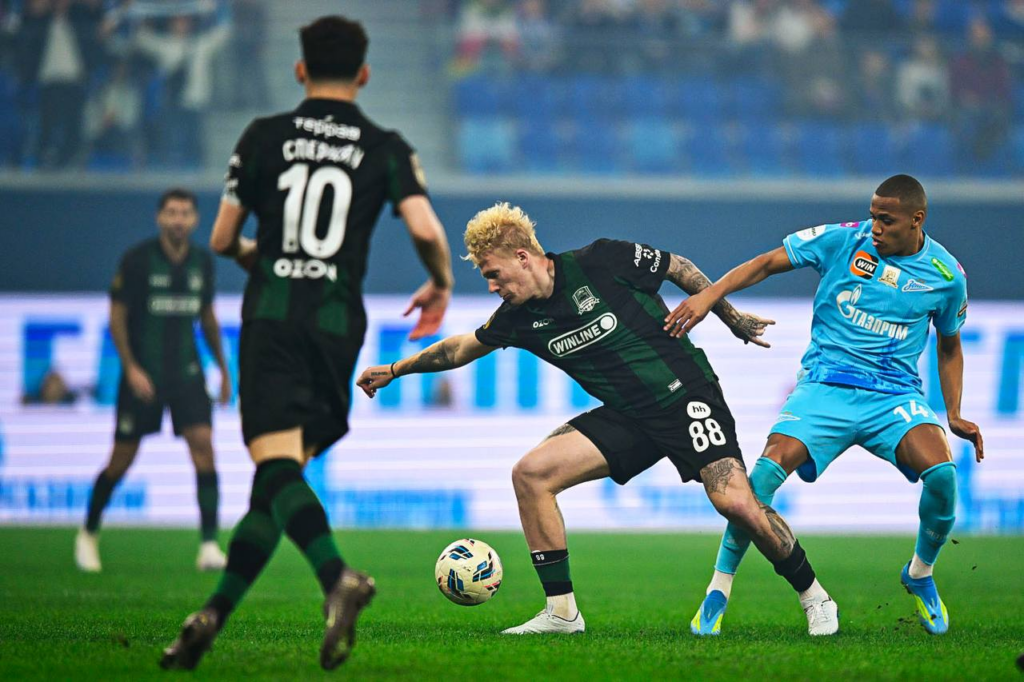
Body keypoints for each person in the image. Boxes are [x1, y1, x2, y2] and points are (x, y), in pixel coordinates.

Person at [357, 202, 840, 637]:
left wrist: (730, 317)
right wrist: (397, 369)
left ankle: (814, 596)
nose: (492, 286)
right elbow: (460, 348)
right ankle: (562, 613)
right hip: (628, 418)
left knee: (735, 502)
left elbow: (679, 267)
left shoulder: (601, 259)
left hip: (684, 395)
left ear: (523, 257)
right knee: (531, 474)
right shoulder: (516, 317)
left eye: (494, 273)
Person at [160, 15, 454, 671]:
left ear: (299, 70)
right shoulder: (385, 146)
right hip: (337, 325)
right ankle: (212, 615)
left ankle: (336, 578)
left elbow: (220, 237)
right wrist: (440, 281)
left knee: (275, 467)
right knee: (278, 478)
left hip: (273, 318)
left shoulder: (263, 136)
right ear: (364, 74)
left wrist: (255, 255)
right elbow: (425, 228)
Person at [667, 174, 983, 636]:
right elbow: (766, 263)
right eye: (873, 215)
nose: (875, 227)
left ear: (917, 220)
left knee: (942, 476)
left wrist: (953, 413)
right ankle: (719, 589)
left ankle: (920, 572)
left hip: (893, 394)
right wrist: (709, 295)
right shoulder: (844, 240)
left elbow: (949, 346)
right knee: (761, 479)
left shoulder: (945, 276)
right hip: (824, 386)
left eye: (887, 220)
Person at [75, 188, 231, 574]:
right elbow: (117, 317)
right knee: (121, 458)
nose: (178, 220)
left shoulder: (202, 262)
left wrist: (224, 370)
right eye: (171, 212)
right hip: (144, 375)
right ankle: (88, 532)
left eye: (185, 213)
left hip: (187, 373)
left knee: (204, 448)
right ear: (160, 217)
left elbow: (208, 318)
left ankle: (209, 545)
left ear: (195, 220)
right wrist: (130, 367)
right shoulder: (138, 260)